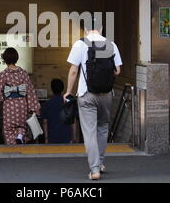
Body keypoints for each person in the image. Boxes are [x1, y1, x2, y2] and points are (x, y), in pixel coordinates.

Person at [64, 20, 122, 180]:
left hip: (86, 94)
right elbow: (117, 71)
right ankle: (101, 163)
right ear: (102, 28)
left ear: (86, 29)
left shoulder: (80, 44)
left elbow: (74, 70)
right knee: (103, 128)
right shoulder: (111, 44)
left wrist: (68, 91)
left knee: (89, 132)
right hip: (106, 94)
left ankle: (95, 169)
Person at [0, 47, 40, 145]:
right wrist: (34, 108)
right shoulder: (23, 73)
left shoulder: (3, 74)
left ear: (4, 59)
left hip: (9, 105)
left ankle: (12, 146)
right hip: (22, 105)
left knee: (8, 129)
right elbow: (30, 92)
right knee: (21, 126)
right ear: (16, 58)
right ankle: (20, 136)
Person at [41, 79, 77, 144]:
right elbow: (73, 121)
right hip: (66, 137)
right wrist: (74, 137)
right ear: (63, 89)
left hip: (52, 138)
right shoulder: (69, 101)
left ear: (52, 89)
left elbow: (45, 122)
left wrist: (46, 138)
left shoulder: (47, 104)